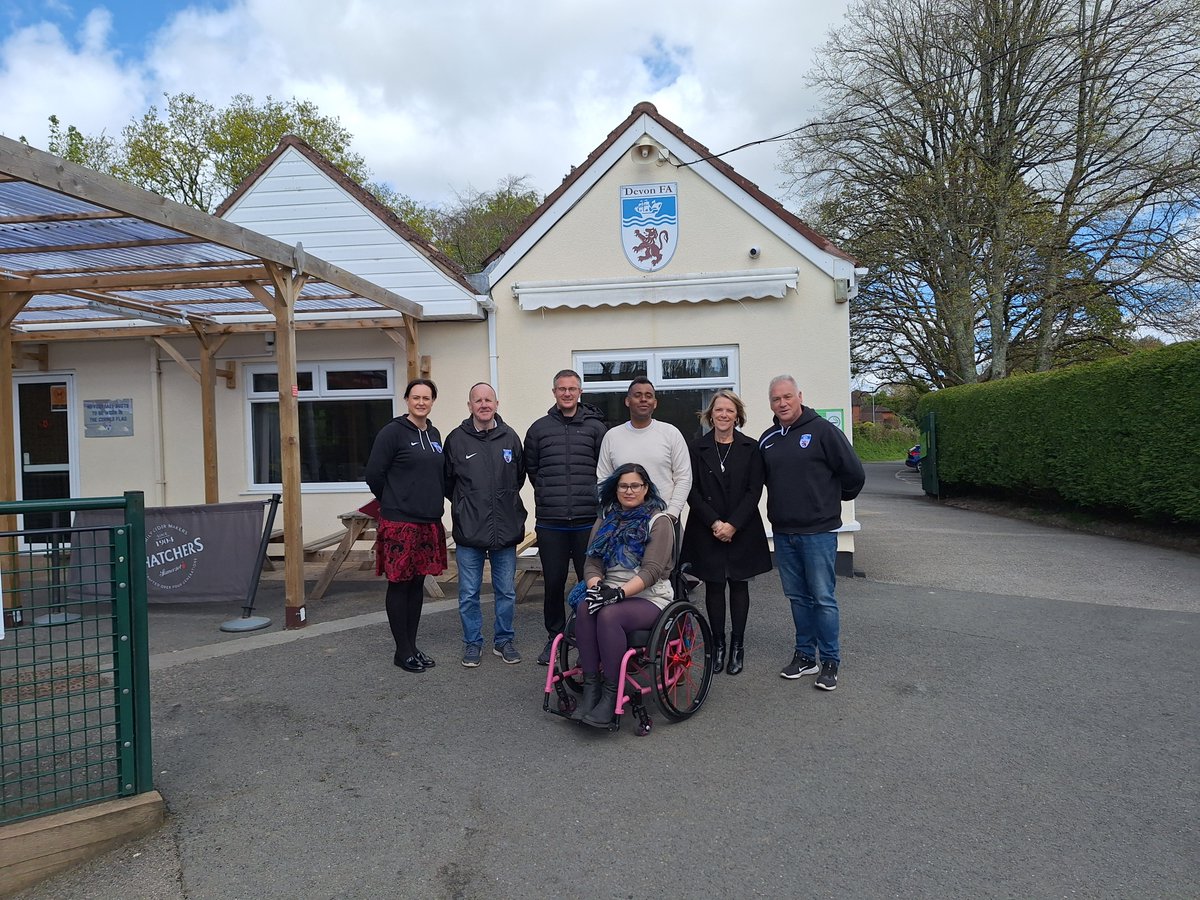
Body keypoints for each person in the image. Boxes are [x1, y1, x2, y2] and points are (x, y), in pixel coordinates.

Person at [759, 375, 865, 692]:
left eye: (787, 397)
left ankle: (830, 660)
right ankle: (806, 656)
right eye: (776, 399)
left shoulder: (822, 431)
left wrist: (829, 501)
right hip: (784, 531)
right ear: (771, 403)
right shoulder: (768, 439)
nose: (782, 403)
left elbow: (854, 474)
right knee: (797, 598)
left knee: (823, 598)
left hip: (818, 532)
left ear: (799, 396)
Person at [570, 463, 676, 728]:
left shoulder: (658, 521)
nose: (629, 491)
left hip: (649, 596)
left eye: (635, 486)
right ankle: (592, 687)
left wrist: (617, 594)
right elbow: (591, 563)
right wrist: (597, 588)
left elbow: (652, 571)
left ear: (646, 488)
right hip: (609, 590)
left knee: (607, 614)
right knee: (585, 607)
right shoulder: (606, 519)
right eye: (623, 486)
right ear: (615, 489)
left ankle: (610, 693)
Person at [680, 390, 771, 676]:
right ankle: (717, 645)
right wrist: (715, 524)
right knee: (715, 586)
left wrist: (732, 524)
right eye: (718, 410)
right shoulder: (695, 448)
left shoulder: (751, 447)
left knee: (739, 585)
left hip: (741, 528)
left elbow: (754, 490)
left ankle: (737, 646)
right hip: (707, 528)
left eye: (729, 410)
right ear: (711, 415)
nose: (723, 415)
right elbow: (690, 490)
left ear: (737, 415)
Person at [522, 369, 608, 666]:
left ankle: (589, 638)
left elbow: (606, 470)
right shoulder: (539, 429)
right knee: (554, 583)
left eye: (572, 388)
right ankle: (554, 638)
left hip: (588, 521)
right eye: (562, 389)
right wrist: (549, 493)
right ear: (554, 392)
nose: (567, 393)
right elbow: (532, 470)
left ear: (580, 391)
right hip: (551, 522)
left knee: (591, 582)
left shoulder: (597, 429)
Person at [363, 378, 447, 673]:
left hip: (428, 521)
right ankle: (402, 651)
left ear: (433, 401)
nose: (421, 402)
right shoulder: (393, 433)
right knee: (399, 585)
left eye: (427, 397)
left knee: (416, 584)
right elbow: (374, 474)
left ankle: (412, 647)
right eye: (416, 397)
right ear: (407, 400)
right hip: (401, 522)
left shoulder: (434, 433)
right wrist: (394, 500)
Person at [443, 382, 528, 667]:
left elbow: (518, 477)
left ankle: (503, 641)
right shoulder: (456, 439)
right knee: (469, 594)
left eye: (488, 399)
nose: (483, 404)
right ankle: (472, 643)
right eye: (477, 400)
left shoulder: (510, 437)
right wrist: (467, 504)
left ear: (496, 403)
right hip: (469, 530)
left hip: (505, 530)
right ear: (469, 406)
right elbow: (448, 483)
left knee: (506, 591)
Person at [596, 377, 692, 519]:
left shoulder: (671, 433)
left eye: (648, 396)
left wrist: (672, 513)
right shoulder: (612, 436)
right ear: (627, 401)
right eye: (637, 395)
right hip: (622, 521)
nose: (643, 399)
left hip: (663, 518)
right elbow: (603, 479)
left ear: (655, 403)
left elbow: (684, 477)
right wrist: (611, 510)